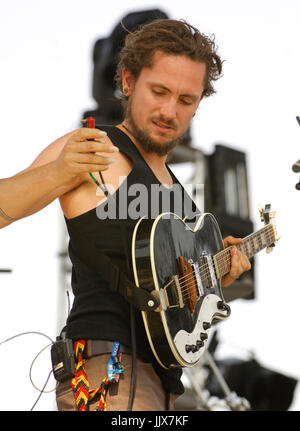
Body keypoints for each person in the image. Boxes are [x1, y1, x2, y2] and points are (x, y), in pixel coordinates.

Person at [0, 19, 251, 411]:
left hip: (165, 383)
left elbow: (174, 316)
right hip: (104, 369)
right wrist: (57, 172)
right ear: (129, 81)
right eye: (159, 91)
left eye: (186, 100)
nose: (170, 110)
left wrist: (214, 282)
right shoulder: (95, 148)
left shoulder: (183, 202)